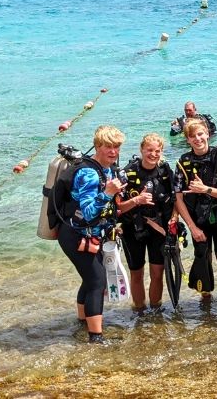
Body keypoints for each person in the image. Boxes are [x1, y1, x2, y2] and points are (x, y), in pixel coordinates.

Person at [56, 125, 126, 343]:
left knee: (89, 279)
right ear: (97, 146)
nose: (113, 152)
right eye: (108, 147)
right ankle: (96, 338)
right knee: (97, 282)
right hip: (76, 235)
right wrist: (108, 193)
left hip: (89, 235)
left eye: (116, 147)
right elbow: (87, 213)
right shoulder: (89, 174)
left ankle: (81, 321)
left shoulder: (106, 169)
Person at [174, 119, 217, 298]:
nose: (197, 139)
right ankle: (206, 299)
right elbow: (177, 197)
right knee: (203, 256)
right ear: (187, 139)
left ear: (208, 134)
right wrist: (192, 228)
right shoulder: (184, 161)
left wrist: (206, 189)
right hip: (197, 218)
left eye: (200, 134)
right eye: (192, 136)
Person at [115, 133, 177, 312]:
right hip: (132, 228)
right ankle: (139, 311)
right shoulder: (127, 173)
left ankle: (156, 309)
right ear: (141, 150)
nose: (153, 154)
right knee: (137, 274)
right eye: (149, 150)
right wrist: (137, 201)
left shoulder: (165, 171)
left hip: (158, 229)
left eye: (157, 151)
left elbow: (176, 200)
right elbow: (118, 208)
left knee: (158, 273)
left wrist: (174, 221)